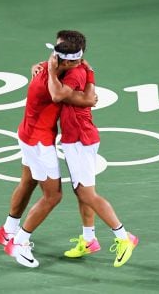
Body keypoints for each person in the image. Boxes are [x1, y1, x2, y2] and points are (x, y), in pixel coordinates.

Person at [0, 40, 97, 268]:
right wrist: (89, 76)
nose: (80, 64)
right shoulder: (51, 83)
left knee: (28, 181)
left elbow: (43, 65)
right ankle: (20, 243)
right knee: (53, 196)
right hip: (39, 142)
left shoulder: (46, 67)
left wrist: (51, 67)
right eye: (75, 61)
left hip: (27, 134)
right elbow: (87, 100)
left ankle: (7, 231)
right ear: (62, 61)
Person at [45, 31, 139, 268]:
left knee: (87, 194)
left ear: (69, 57)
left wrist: (48, 69)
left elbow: (57, 95)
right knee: (80, 191)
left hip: (80, 140)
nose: (53, 55)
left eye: (58, 51)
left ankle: (124, 237)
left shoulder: (75, 75)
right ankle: (89, 240)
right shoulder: (76, 69)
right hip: (76, 138)